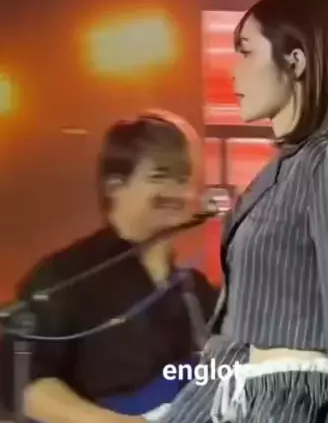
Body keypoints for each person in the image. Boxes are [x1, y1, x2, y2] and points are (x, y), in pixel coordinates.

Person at [114, 0, 328, 423]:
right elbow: (233, 346)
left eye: (246, 52)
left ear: (295, 62)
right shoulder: (280, 174)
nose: (234, 72)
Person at [0, 111, 219, 423]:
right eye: (159, 176)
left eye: (183, 179)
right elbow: (25, 383)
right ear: (115, 185)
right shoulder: (65, 276)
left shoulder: (196, 291)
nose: (177, 191)